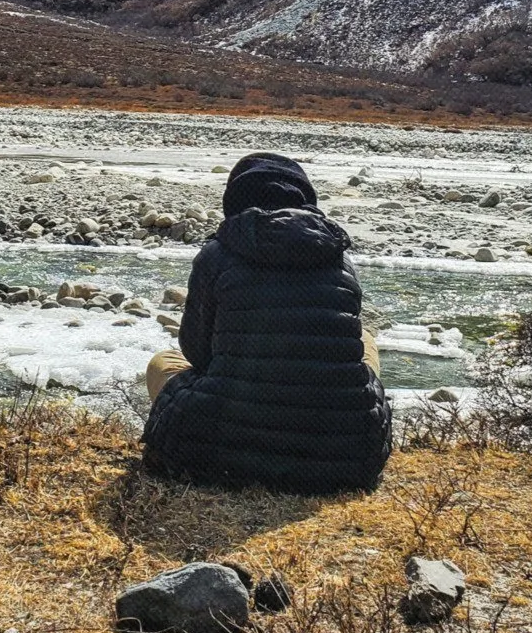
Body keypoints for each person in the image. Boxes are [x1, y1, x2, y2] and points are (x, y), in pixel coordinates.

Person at [140, 152, 392, 495]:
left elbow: (197, 353)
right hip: (344, 453)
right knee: (364, 339)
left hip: (218, 450)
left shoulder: (218, 253)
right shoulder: (339, 258)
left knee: (162, 363)